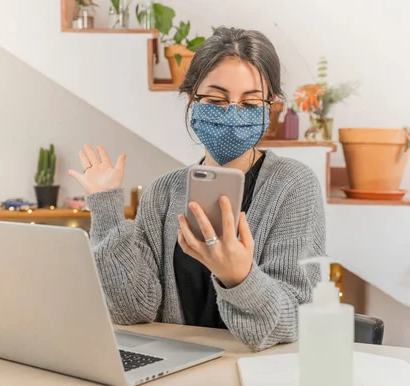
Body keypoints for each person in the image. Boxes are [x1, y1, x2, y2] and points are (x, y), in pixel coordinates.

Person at [68, 27, 325, 352]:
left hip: (256, 375)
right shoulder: (162, 193)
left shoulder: (293, 186)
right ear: (192, 99)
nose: (233, 112)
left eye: (249, 103)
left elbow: (296, 320)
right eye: (217, 100)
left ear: (270, 108)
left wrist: (239, 276)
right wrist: (105, 208)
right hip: (175, 371)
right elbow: (130, 310)